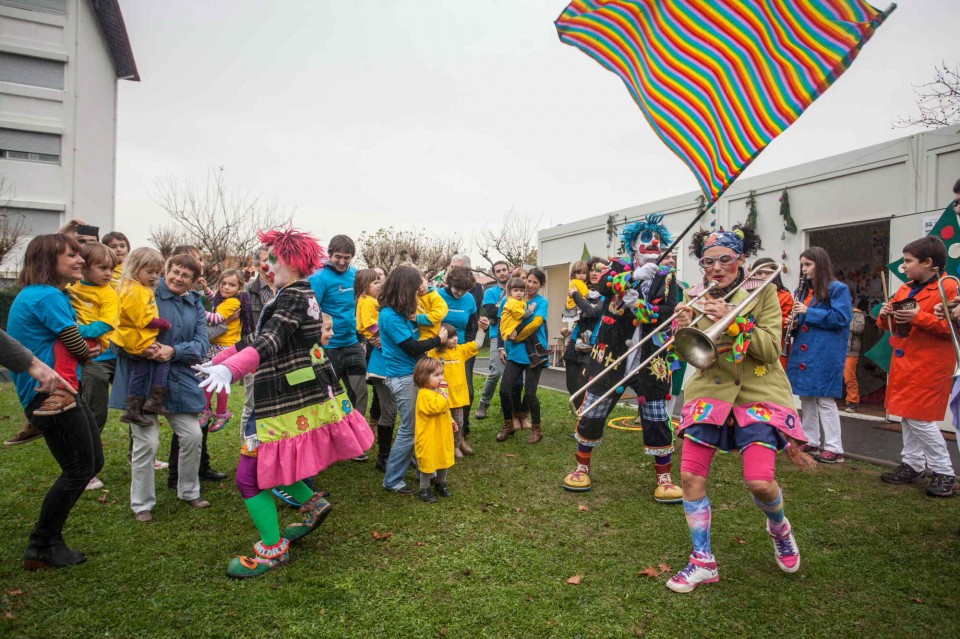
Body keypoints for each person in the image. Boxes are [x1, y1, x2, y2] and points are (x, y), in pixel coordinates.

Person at [196, 228, 373, 578]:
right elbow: (258, 336)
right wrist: (218, 360)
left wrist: (231, 370)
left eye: (273, 258)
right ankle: (312, 505)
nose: (267, 264)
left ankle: (273, 551)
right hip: (286, 401)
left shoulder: (294, 295)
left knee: (249, 479)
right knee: (271, 466)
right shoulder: (292, 293)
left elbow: (270, 342)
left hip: (281, 402)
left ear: (291, 260)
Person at [666, 225, 809, 594]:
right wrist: (682, 326)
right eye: (708, 261)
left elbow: (767, 348)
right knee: (692, 479)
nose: (716, 268)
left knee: (759, 482)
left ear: (740, 259)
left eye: (725, 260)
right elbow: (691, 350)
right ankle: (702, 561)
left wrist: (730, 316)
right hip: (708, 391)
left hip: (757, 392)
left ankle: (780, 528)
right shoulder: (695, 295)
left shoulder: (764, 292)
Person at [562, 214, 680, 502]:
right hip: (611, 354)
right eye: (645, 239)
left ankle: (663, 477)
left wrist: (638, 304)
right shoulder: (617, 267)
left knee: (655, 416)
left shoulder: (667, 278)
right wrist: (630, 279)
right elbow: (601, 286)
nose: (652, 243)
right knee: (593, 411)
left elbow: (667, 313)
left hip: (650, 358)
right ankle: (581, 467)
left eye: (656, 240)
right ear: (633, 246)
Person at [7, 234, 103, 569]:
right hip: (50, 396)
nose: (80, 260)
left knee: (91, 464)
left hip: (62, 392)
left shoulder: (41, 294)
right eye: (72, 255)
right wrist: (89, 355)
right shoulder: (46, 295)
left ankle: (46, 541)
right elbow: (74, 341)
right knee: (78, 469)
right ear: (50, 261)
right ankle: (42, 544)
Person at [109, 252, 214, 522]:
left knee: (192, 435)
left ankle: (189, 491)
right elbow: (118, 333)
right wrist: (143, 349)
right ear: (166, 270)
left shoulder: (195, 304)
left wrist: (173, 350)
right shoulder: (145, 292)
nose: (178, 278)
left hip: (178, 379)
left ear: (193, 281)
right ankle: (141, 503)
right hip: (142, 380)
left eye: (186, 275)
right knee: (147, 442)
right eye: (175, 271)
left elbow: (202, 344)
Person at [878, 235, 958, 498]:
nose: (905, 267)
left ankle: (944, 471)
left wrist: (919, 317)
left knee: (919, 418)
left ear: (928, 263)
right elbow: (888, 326)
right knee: (906, 414)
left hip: (930, 363)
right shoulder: (905, 288)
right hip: (905, 360)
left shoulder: (949, 287)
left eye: (909, 262)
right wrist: (884, 315)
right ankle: (912, 463)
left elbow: (951, 328)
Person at [381, 265, 449, 495]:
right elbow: (411, 347)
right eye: (413, 289)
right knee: (410, 429)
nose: (417, 294)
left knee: (417, 426)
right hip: (402, 377)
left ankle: (420, 465)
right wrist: (438, 340)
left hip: (413, 375)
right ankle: (392, 480)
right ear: (403, 289)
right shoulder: (389, 316)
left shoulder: (401, 312)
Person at [785, 247, 852, 464]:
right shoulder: (802, 292)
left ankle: (834, 447)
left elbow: (841, 318)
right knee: (807, 397)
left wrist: (808, 312)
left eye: (808, 265)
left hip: (825, 351)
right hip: (805, 350)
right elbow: (802, 320)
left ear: (820, 265)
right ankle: (810, 439)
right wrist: (793, 323)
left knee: (824, 398)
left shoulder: (838, 289)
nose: (803, 269)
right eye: (802, 264)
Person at [66, 242, 120, 491]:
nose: (108, 274)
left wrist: (78, 332)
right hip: (90, 362)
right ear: (84, 267)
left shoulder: (108, 292)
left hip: (108, 354)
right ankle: (85, 469)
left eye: (111, 268)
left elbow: (106, 323)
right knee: (92, 413)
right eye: (102, 268)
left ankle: (140, 456)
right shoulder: (70, 288)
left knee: (133, 405)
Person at [308, 234, 368, 416]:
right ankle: (333, 429)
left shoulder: (356, 275)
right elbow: (312, 312)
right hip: (329, 346)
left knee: (360, 391)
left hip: (351, 343)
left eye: (346, 258)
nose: (342, 262)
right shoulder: (319, 278)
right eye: (338, 257)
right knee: (329, 393)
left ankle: (358, 431)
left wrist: (362, 339)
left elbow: (360, 307)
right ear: (330, 254)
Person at [114, 247, 172, 426]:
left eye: (157, 272)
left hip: (138, 337)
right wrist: (163, 323)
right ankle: (149, 403)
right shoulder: (133, 290)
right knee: (160, 361)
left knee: (141, 371)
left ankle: (137, 407)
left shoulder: (140, 287)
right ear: (135, 268)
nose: (155, 276)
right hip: (136, 338)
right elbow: (141, 319)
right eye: (150, 272)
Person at [496, 268, 550, 444]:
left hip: (535, 352)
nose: (531, 285)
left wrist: (517, 335)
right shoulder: (513, 299)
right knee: (505, 389)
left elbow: (536, 323)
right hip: (516, 351)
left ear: (541, 285)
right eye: (529, 280)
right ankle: (508, 425)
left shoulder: (542, 302)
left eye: (535, 282)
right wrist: (502, 346)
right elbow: (502, 323)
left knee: (530, 393)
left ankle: (536, 429)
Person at [201, 269, 254, 433]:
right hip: (217, 344)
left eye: (231, 285)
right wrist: (206, 289)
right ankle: (207, 410)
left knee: (217, 379)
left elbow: (217, 318)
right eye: (223, 284)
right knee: (209, 377)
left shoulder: (233, 303)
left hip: (225, 346)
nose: (225, 287)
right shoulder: (226, 300)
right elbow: (216, 302)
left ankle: (220, 412)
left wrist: (197, 311)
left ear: (239, 288)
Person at [428, 321, 488, 458]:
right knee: (442, 425)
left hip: (458, 398)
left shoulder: (460, 350)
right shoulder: (433, 353)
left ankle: (455, 445)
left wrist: (481, 329)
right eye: (450, 337)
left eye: (455, 336)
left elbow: (477, 344)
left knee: (458, 423)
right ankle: (443, 447)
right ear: (442, 338)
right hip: (441, 398)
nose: (455, 339)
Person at [357, 268, 397, 471]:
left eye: (380, 282)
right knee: (388, 410)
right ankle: (384, 456)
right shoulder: (368, 302)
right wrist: (382, 336)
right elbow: (369, 324)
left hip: (385, 358)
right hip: (381, 363)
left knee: (389, 410)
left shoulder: (374, 302)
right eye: (375, 283)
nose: (379, 286)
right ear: (365, 287)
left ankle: (388, 454)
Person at [438, 266, 480, 452]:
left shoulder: (469, 299)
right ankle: (444, 435)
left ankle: (460, 435)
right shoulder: (437, 296)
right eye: (457, 289)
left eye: (464, 290)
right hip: (439, 351)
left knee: (467, 393)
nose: (460, 293)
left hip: (461, 351)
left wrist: (467, 348)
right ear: (449, 283)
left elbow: (472, 326)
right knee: (442, 393)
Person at [241, 245, 276, 431]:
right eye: (265, 260)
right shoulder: (247, 292)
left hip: (278, 354)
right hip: (255, 355)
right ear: (256, 264)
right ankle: (247, 449)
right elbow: (244, 327)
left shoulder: (284, 288)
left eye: (273, 260)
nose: (270, 265)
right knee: (252, 404)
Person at [413, 357, 457, 503]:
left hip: (442, 434)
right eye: (436, 375)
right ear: (424, 377)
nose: (441, 378)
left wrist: (451, 420)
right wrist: (444, 392)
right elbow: (436, 408)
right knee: (429, 461)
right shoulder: (424, 394)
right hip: (429, 437)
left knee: (443, 458)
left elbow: (445, 410)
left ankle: (441, 483)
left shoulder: (437, 391)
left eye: (441, 374)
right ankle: (424, 488)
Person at [562, 257, 606, 395]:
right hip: (575, 340)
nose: (593, 273)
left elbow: (593, 312)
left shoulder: (605, 294)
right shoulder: (582, 288)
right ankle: (581, 415)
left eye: (598, 270)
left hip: (593, 344)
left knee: (583, 383)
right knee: (571, 385)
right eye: (590, 270)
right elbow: (568, 312)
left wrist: (575, 295)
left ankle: (585, 416)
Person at [475, 260, 511, 419]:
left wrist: (499, 311)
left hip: (516, 337)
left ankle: (508, 406)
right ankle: (484, 403)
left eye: (504, 270)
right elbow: (490, 311)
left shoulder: (517, 289)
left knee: (513, 374)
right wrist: (509, 310)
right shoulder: (490, 291)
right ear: (495, 274)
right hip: (498, 335)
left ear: (509, 271)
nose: (502, 273)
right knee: (496, 371)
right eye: (498, 271)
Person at [752, 257, 794, 370]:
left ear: (775, 275)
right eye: (759, 273)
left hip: (775, 342)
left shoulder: (785, 295)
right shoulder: (747, 294)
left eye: (768, 273)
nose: (763, 276)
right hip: (751, 341)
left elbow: (784, 322)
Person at [843, 303, 867, 413]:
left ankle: (852, 402)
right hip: (835, 349)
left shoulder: (857, 313)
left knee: (849, 377)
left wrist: (841, 320)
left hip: (850, 350)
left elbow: (859, 328)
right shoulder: (834, 310)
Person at [562, 260, 589, 329]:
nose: (581, 275)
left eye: (584, 273)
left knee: (578, 325)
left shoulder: (573, 282)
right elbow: (586, 294)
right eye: (579, 273)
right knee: (582, 324)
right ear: (574, 274)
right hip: (576, 307)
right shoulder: (578, 282)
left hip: (571, 307)